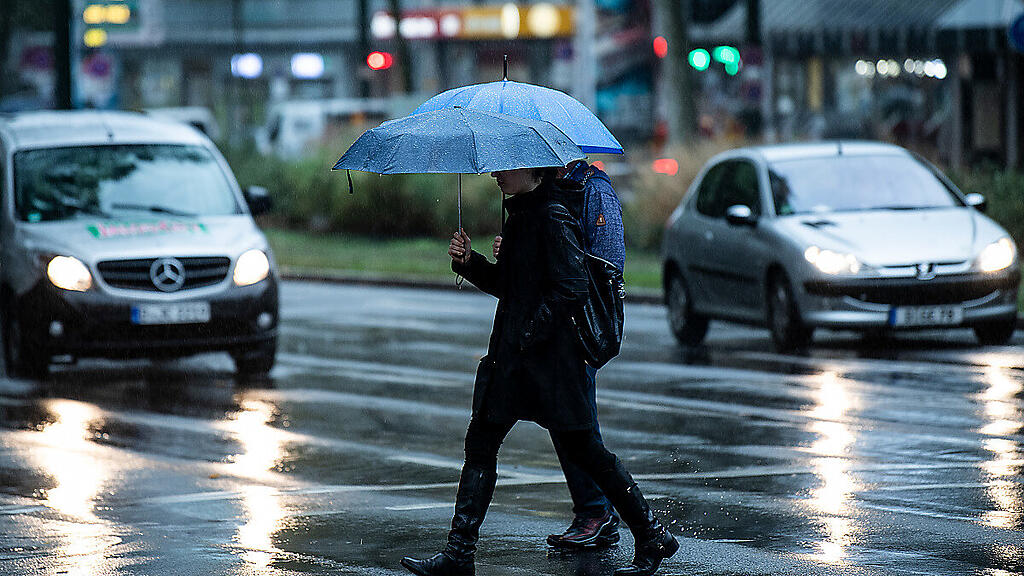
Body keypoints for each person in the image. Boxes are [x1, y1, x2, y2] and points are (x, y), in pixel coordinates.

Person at [400, 167, 677, 576]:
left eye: (505, 167)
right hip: (513, 361)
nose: (496, 173)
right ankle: (459, 554)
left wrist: (531, 329)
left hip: (549, 365)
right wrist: (469, 263)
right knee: (480, 445)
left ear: (531, 168)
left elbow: (573, 286)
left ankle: (651, 534)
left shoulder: (552, 215)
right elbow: (510, 285)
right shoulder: (521, 215)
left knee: (587, 451)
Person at [492, 159, 625, 549]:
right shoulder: (544, 189)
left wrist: (555, 249)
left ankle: (600, 513)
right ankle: (600, 513)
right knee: (571, 425)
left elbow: (606, 264)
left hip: (577, 326)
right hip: (551, 331)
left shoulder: (592, 188)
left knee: (579, 428)